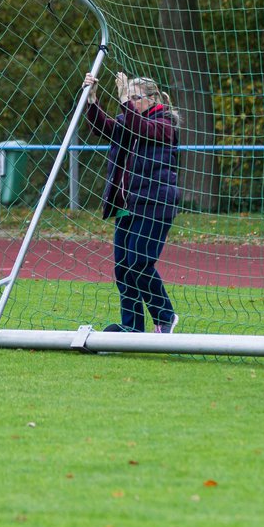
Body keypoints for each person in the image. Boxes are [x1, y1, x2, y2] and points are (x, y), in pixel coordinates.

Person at [83, 70, 181, 334]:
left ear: (152, 99)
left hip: (154, 205)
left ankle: (165, 316)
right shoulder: (130, 121)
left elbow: (141, 127)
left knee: (139, 263)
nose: (131, 101)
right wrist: (92, 101)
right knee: (123, 268)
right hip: (126, 205)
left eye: (136, 97)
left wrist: (124, 100)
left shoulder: (164, 124)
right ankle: (132, 328)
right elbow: (104, 128)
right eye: (130, 97)